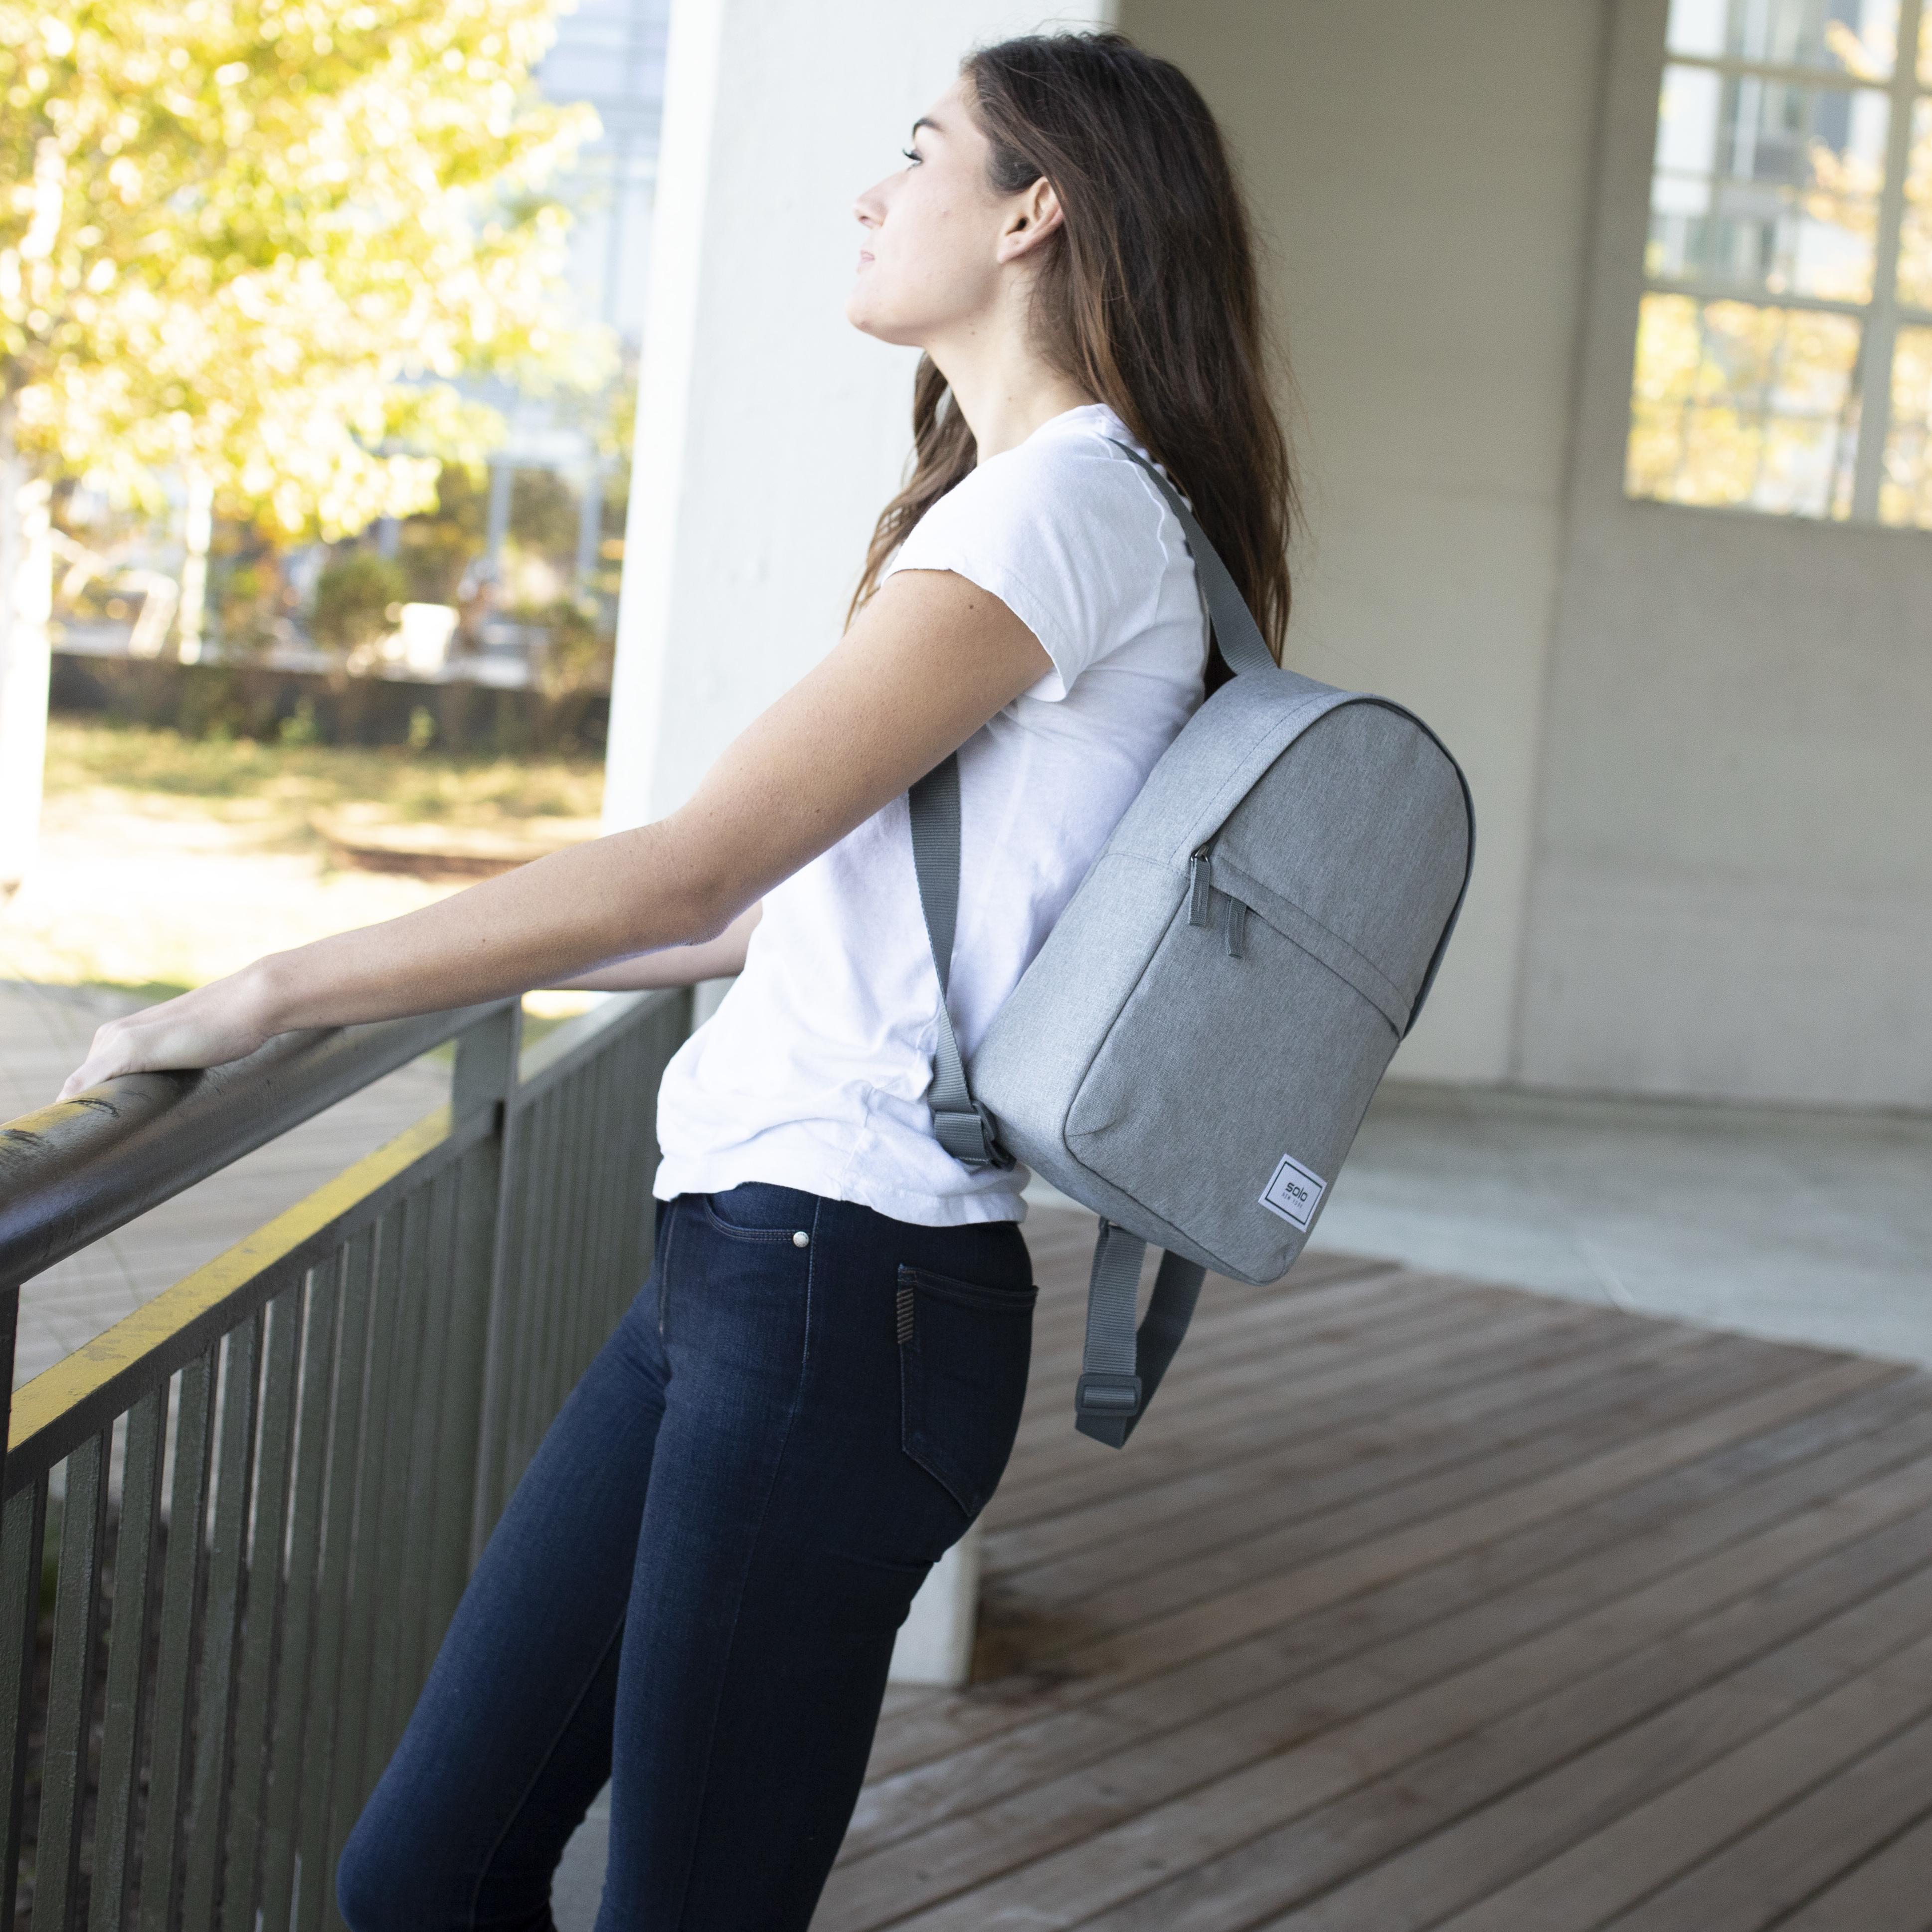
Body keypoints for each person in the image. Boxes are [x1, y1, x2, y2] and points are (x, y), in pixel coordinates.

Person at [59, 30, 1294, 1932]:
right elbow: (758, 915)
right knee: (425, 1872)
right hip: (757, 1274)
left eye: (919, 151)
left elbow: (699, 858)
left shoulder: (1058, 511)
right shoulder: (1089, 508)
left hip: (839, 1286)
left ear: (1036, 209)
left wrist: (266, 991)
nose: (874, 191)